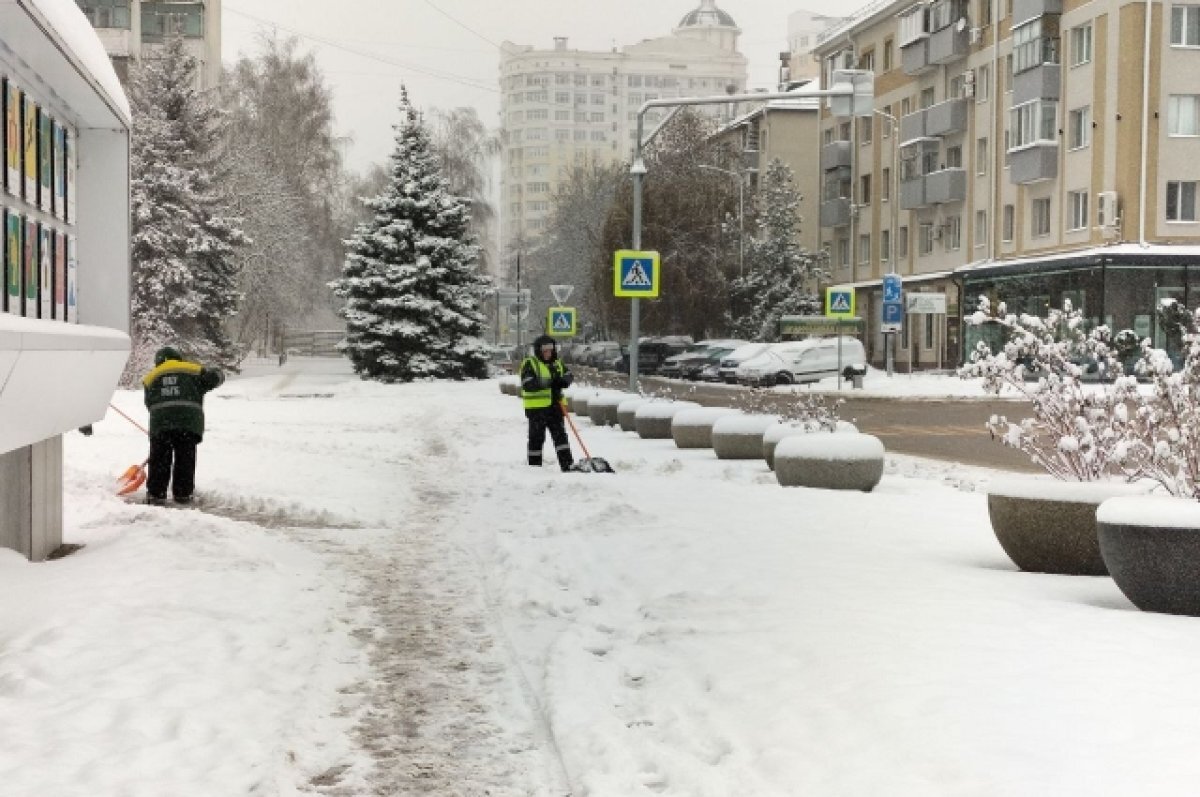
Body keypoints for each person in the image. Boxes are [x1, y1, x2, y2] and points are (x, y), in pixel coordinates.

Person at [142, 346, 224, 504]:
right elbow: (214, 378)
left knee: (159, 459)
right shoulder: (193, 370)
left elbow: (149, 403)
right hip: (188, 424)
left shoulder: (150, 377)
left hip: (161, 425)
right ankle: (183, 494)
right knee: (185, 459)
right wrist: (218, 373)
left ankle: (156, 494)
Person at [520, 335, 574, 471]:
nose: (548, 353)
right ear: (538, 350)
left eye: (550, 350)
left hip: (555, 407)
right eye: (545, 350)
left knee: (561, 438)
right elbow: (528, 383)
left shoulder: (557, 363)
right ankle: (534, 467)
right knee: (536, 439)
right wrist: (550, 383)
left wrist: (565, 380)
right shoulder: (530, 363)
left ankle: (567, 465)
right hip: (537, 410)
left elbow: (569, 374)